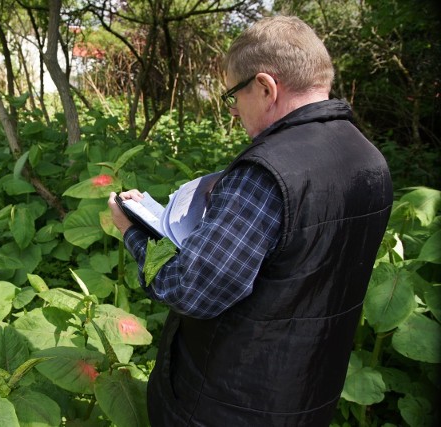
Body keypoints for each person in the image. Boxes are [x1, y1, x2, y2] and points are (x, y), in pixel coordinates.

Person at [107, 15, 393, 427]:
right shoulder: (370, 159)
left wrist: (134, 232)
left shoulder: (265, 175)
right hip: (311, 390)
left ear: (265, 87)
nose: (235, 111)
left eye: (234, 96)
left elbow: (192, 290)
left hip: (227, 403)